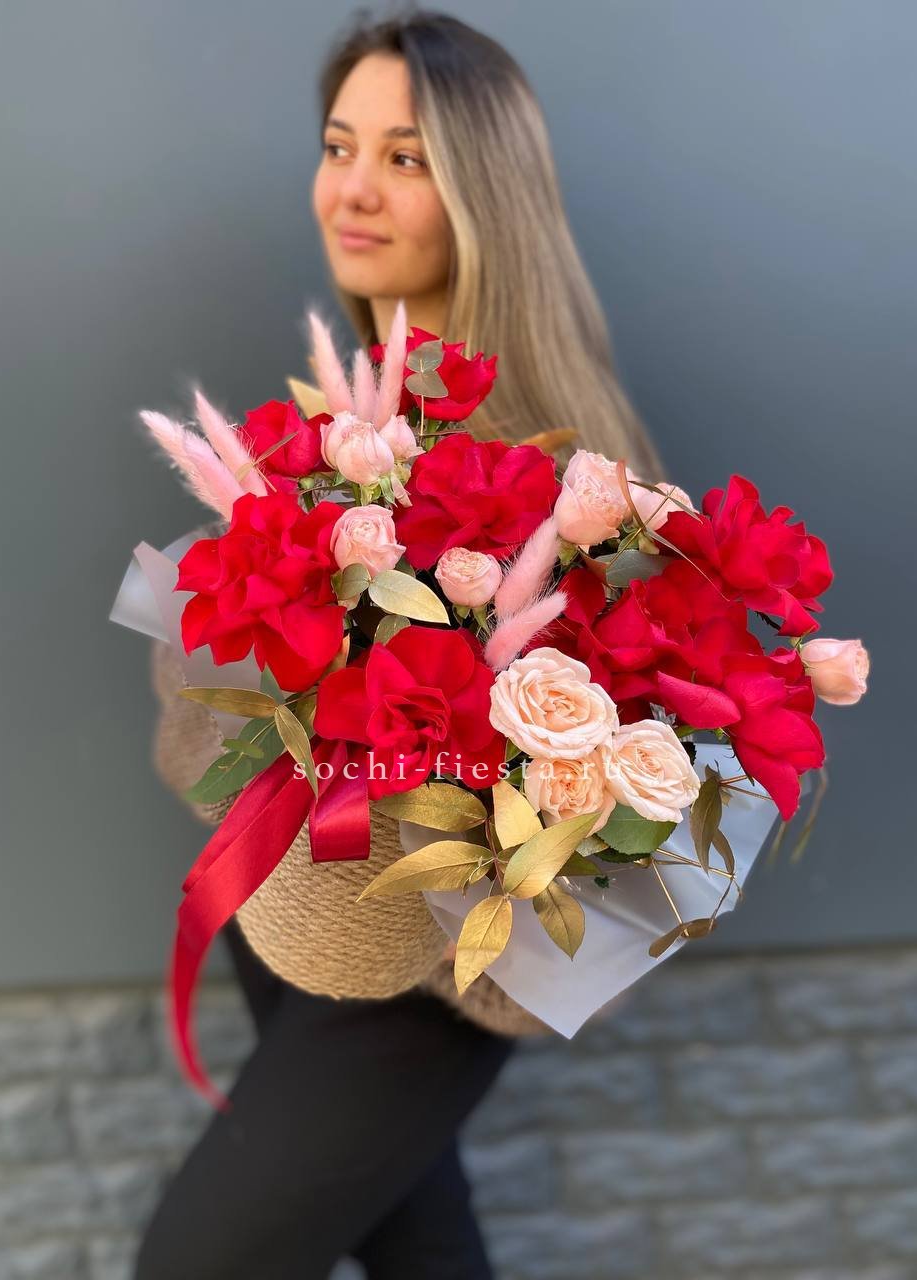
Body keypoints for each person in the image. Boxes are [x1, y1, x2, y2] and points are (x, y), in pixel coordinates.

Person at [134, 8, 664, 1278]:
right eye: (340, 146)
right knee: (425, 1252)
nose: (354, 188)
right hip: (296, 909)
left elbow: (594, 768)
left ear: (485, 193)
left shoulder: (550, 458)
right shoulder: (344, 426)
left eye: (407, 158)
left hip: (425, 963)